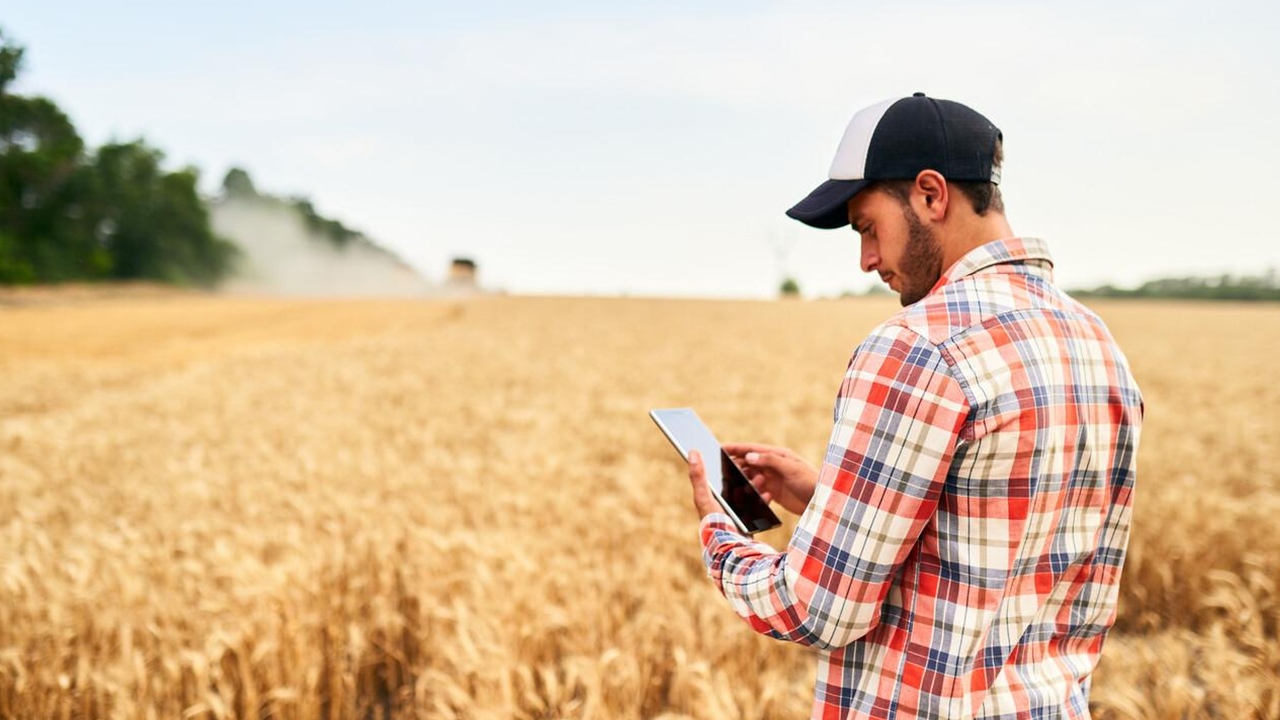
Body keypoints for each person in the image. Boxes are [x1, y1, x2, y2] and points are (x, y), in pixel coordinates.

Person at [683, 93, 1145, 720]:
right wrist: (829, 500)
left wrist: (720, 530)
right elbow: (1005, 541)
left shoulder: (918, 347)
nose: (867, 260)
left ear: (930, 195)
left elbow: (816, 609)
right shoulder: (1097, 344)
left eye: (867, 228)